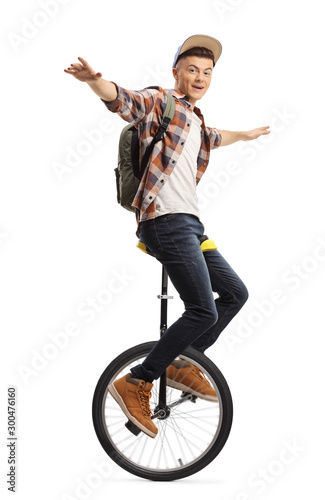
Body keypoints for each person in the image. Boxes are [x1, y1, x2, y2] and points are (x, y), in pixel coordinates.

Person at [64, 34, 270, 438]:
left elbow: (213, 138)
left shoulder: (196, 119)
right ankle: (138, 380)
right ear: (176, 71)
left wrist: (244, 136)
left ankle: (180, 364)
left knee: (234, 294)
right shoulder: (162, 101)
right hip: (163, 220)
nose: (200, 77)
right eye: (192, 69)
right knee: (202, 310)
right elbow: (124, 100)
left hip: (191, 225)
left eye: (207, 72)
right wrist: (94, 81)